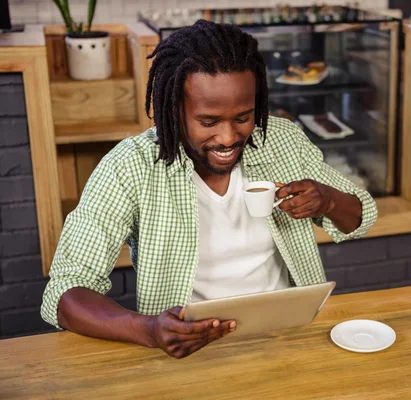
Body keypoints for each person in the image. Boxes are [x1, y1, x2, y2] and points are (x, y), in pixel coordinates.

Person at [41, 20, 377, 359]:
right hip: (190, 354)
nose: (229, 137)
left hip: (289, 340)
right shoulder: (131, 167)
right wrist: (148, 330)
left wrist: (329, 200)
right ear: (174, 111)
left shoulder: (282, 141)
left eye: (243, 117)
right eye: (208, 122)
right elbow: (66, 292)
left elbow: (361, 218)